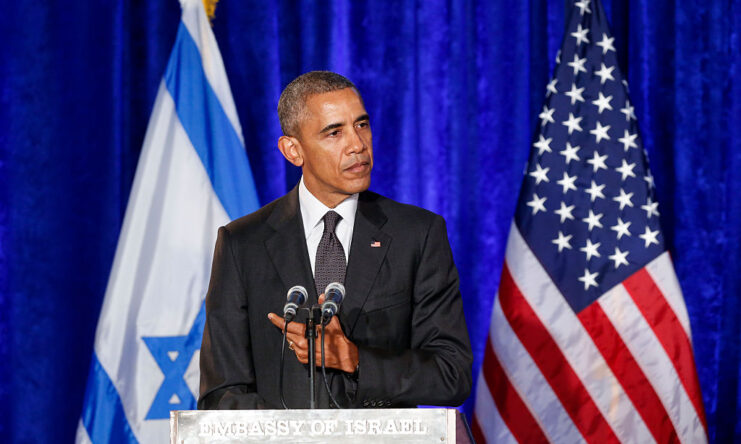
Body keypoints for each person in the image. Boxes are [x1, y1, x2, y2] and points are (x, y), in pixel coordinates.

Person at [198, 71, 472, 409]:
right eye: (334, 132)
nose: (357, 145)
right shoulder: (242, 243)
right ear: (293, 150)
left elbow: (451, 374)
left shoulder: (417, 234)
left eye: (361, 125)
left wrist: (356, 360)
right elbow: (222, 393)